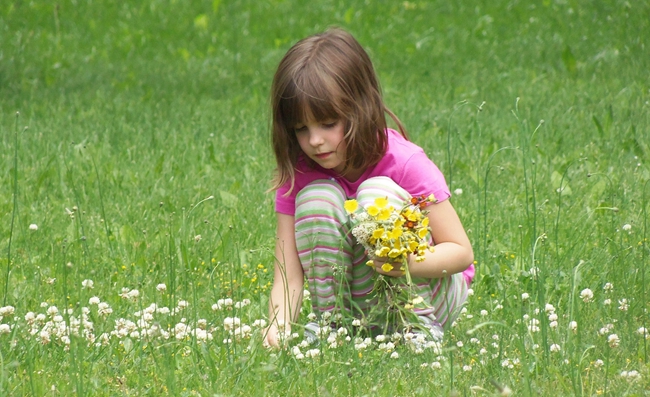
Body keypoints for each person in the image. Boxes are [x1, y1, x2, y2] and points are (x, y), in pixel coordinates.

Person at [265, 28, 474, 348]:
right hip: (362, 304)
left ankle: (416, 328)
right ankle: (332, 325)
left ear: (359, 108)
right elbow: (288, 273)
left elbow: (461, 253)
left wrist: (404, 263)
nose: (315, 141)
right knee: (317, 199)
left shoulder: (403, 162)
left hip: (432, 292)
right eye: (301, 129)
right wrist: (277, 331)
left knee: (376, 194)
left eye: (328, 124)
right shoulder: (300, 173)